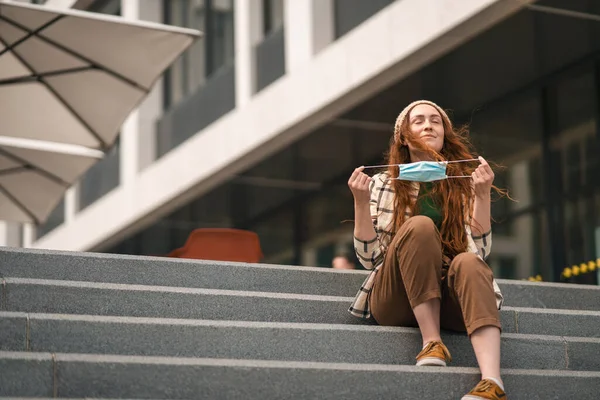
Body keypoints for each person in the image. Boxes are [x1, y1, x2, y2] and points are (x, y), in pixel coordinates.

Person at [347, 100, 507, 400]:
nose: (428, 125)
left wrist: (482, 194)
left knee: (470, 264)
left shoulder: (462, 183)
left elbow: (481, 251)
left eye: (435, 121)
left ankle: (492, 382)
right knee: (420, 226)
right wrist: (359, 201)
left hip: (451, 297)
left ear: (444, 134)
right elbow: (369, 258)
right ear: (404, 137)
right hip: (396, 297)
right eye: (418, 121)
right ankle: (431, 342)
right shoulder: (383, 182)